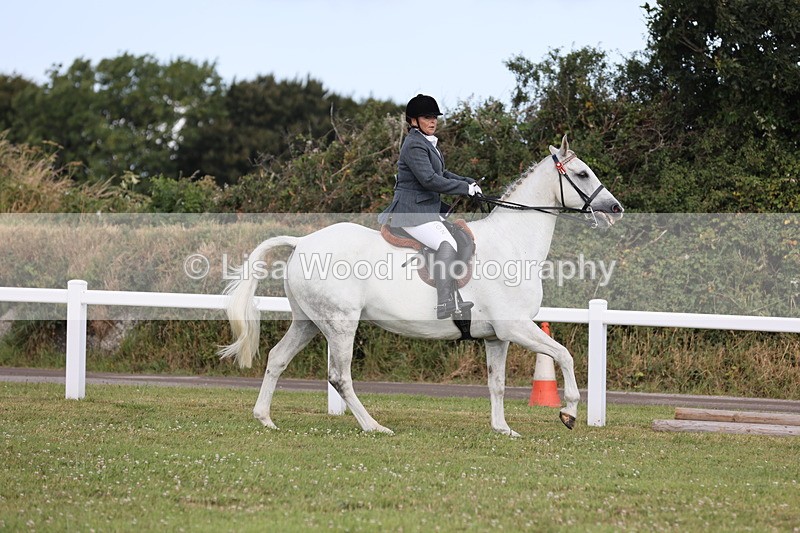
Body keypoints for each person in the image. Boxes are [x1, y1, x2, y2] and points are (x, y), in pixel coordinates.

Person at [378, 94, 483, 319]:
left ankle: (455, 296)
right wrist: (464, 190)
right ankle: (445, 302)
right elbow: (429, 180)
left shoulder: (426, 143)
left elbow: (442, 174)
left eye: (435, 117)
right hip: (411, 212)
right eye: (427, 117)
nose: (433, 121)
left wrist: (468, 181)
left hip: (424, 210)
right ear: (414, 120)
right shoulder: (415, 144)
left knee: (458, 238)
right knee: (447, 242)